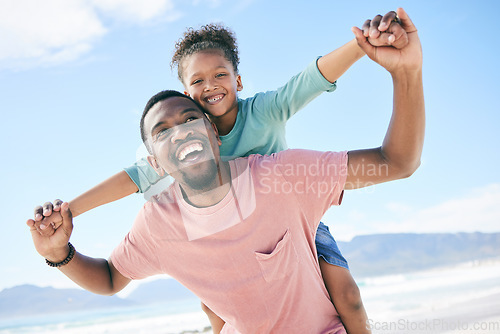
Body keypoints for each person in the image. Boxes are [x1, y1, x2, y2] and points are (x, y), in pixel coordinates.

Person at [28, 8, 423, 333]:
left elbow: (312, 81)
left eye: (220, 76)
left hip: (300, 216)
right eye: (198, 81)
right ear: (156, 159)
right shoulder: (161, 221)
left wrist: (367, 50)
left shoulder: (277, 156)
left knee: (346, 293)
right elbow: (117, 246)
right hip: (224, 255)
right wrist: (62, 228)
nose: (182, 132)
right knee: (216, 313)